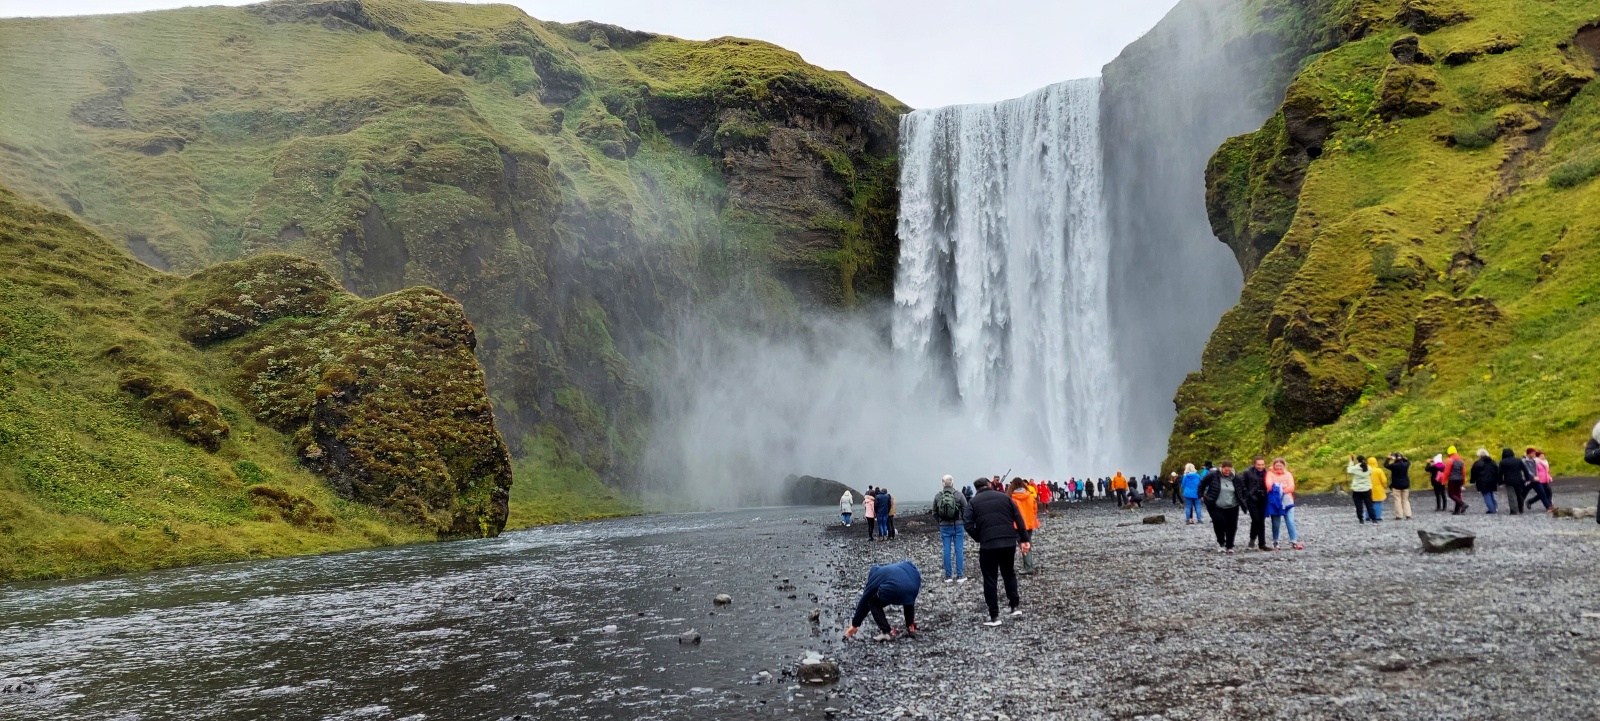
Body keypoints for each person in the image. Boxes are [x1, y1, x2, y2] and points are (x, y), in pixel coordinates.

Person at [965, 478, 1031, 626]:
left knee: (990, 578)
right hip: (1008, 541)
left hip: (988, 544)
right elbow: (1018, 518)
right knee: (1009, 573)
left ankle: (994, 616)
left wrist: (979, 537)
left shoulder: (973, 502)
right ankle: (1014, 606)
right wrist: (1023, 539)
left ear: (976, 489)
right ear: (989, 485)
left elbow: (967, 523)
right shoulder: (1004, 497)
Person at [844, 560, 921, 642]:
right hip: (914, 585)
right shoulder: (897, 567)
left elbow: (865, 599)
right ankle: (910, 626)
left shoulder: (876, 576)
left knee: (872, 602)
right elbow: (912, 568)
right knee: (907, 597)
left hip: (898, 588)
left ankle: (886, 632)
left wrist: (855, 624)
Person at [1198, 461, 1244, 552]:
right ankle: (1221, 542)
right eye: (1225, 470)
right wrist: (1201, 496)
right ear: (1221, 468)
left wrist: (1243, 499)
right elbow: (1202, 484)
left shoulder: (1236, 477)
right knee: (1219, 522)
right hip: (1215, 505)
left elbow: (1242, 488)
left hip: (1232, 505)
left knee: (1232, 526)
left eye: (1229, 470)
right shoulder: (1212, 475)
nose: (1227, 472)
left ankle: (1230, 545)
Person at [933, 476, 969, 583]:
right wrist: (962, 520)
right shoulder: (959, 494)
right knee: (959, 550)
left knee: (946, 550)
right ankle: (960, 575)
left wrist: (940, 522)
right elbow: (966, 509)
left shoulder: (938, 495)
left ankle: (948, 576)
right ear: (952, 483)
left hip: (944, 526)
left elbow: (934, 512)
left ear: (942, 483)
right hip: (958, 525)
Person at [1264, 458, 1302, 550]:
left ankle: (1294, 540)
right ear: (1273, 466)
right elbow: (1269, 485)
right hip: (1275, 501)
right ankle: (1275, 541)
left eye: (1280, 466)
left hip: (1288, 501)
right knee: (1276, 522)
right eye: (1277, 466)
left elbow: (1292, 487)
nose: (1278, 468)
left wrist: (1280, 489)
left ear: (1284, 466)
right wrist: (1281, 487)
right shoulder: (1270, 473)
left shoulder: (1288, 474)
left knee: (1290, 521)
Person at [1240, 457, 1270, 551]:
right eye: (1258, 465)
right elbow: (1242, 484)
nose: (1260, 466)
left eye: (1262, 464)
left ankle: (1262, 543)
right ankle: (1252, 539)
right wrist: (1247, 495)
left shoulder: (1268, 473)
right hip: (1251, 499)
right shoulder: (1247, 472)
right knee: (1256, 519)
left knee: (1261, 521)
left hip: (1263, 498)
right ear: (1254, 464)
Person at [1346, 455, 1377, 523]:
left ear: (1357, 460)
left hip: (1357, 489)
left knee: (1358, 505)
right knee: (1369, 505)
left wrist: (1351, 462)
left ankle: (1361, 519)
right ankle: (1374, 519)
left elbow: (1349, 470)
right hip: (1366, 489)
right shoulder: (1369, 468)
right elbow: (1370, 473)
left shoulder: (1355, 468)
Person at [1498, 448, 1529, 515]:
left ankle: (1514, 510)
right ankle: (1521, 508)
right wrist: (1527, 479)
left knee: (1511, 495)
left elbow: (1500, 473)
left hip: (1509, 481)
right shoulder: (1518, 460)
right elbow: (1525, 470)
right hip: (1519, 480)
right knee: (1519, 494)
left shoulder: (1503, 462)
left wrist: (1500, 482)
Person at [1385, 453, 1413, 520]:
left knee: (1397, 500)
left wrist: (1388, 458)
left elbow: (1385, 465)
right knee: (1405, 500)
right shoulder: (1405, 465)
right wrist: (1403, 457)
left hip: (1396, 484)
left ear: (1395, 458)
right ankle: (1408, 514)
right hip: (1405, 484)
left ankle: (1399, 515)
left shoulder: (1393, 465)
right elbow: (1408, 462)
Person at [1471, 448, 1500, 514]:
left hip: (1482, 481)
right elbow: (1497, 471)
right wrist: (1498, 480)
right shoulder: (1492, 462)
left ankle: (1491, 509)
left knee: (1486, 494)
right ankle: (1495, 507)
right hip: (1492, 481)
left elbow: (1474, 472)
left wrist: (1472, 481)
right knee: (1491, 494)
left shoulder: (1478, 463)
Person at [1446, 446, 1468, 514]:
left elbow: (1447, 471)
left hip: (1452, 479)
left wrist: (1444, 480)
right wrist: (1463, 481)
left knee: (1451, 494)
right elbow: (1463, 472)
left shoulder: (1449, 460)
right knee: (1457, 494)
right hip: (1460, 479)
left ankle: (1462, 504)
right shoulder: (1460, 460)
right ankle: (1457, 510)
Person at [1368, 457, 1388, 521]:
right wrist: (1385, 486)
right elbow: (1384, 480)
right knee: (1377, 502)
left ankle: (1367, 516)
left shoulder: (1366, 470)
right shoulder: (1379, 470)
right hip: (1377, 488)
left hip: (1368, 488)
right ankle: (1377, 516)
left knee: (1369, 503)